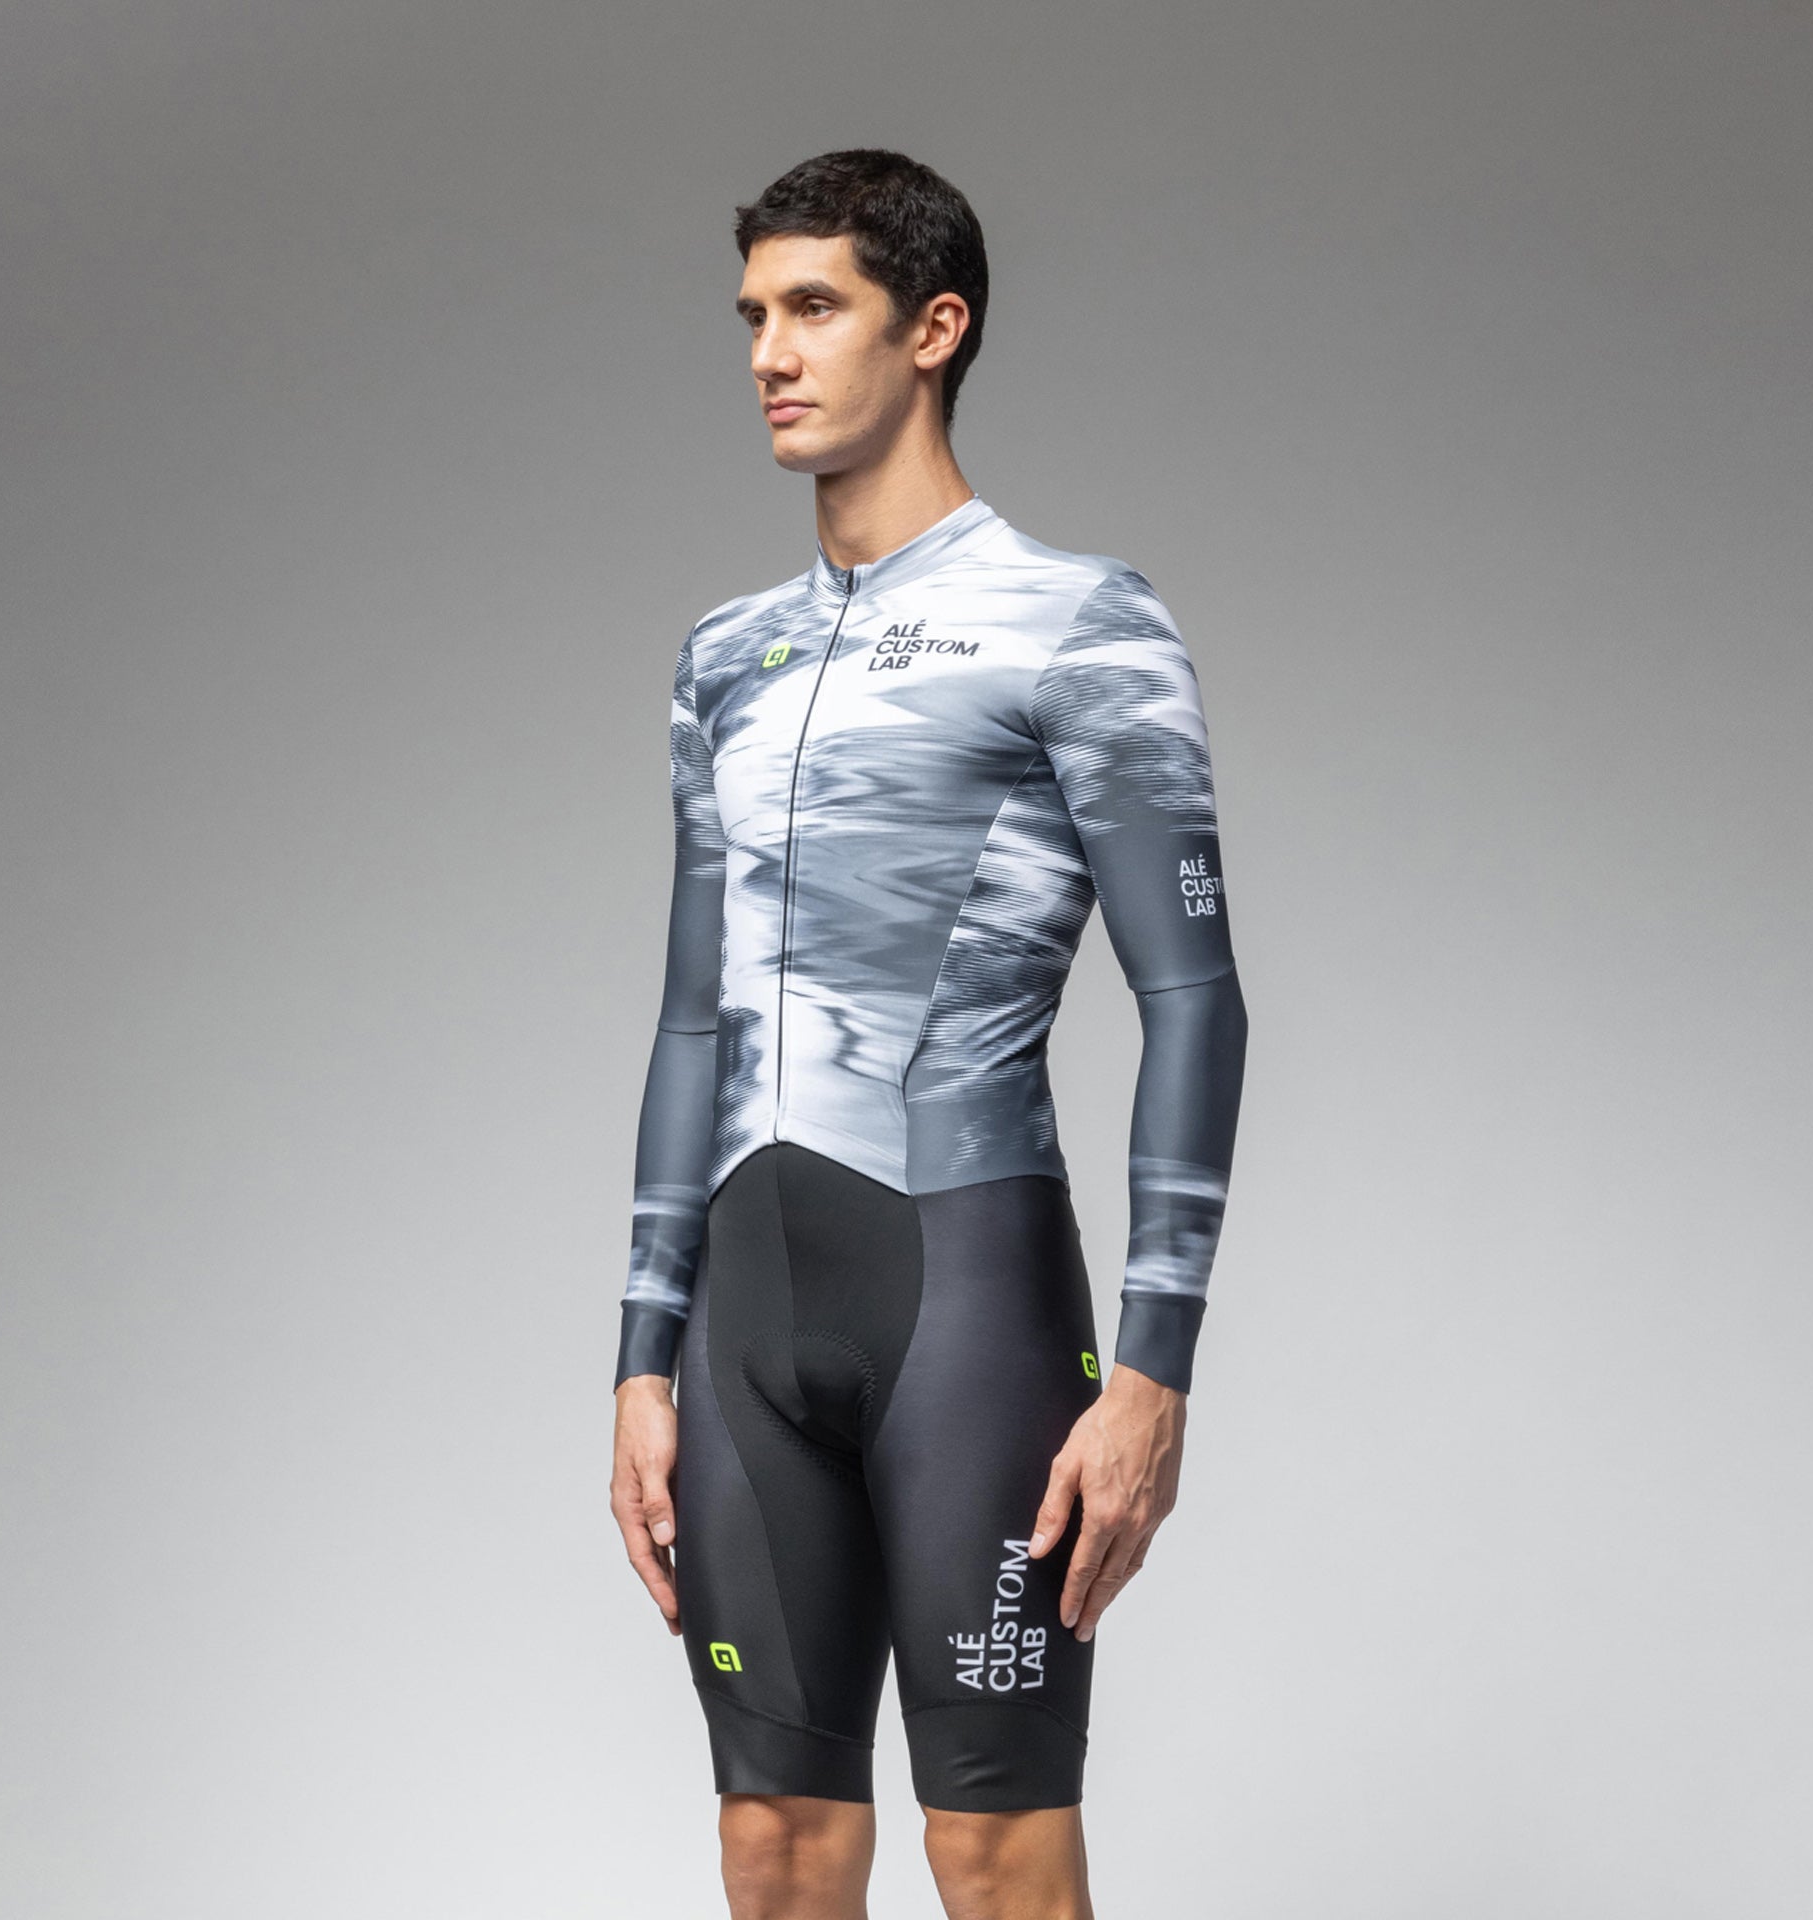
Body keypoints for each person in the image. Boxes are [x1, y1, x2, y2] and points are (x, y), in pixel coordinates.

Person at [608, 147, 1248, 1919]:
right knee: (771, 1842)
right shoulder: (722, 659)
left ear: (935, 327)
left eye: (815, 307)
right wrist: (641, 1358)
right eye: (754, 313)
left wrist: (1154, 1377)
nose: (769, 353)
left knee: (995, 1849)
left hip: (967, 1300)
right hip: (745, 1317)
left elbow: (1195, 998)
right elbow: (691, 1018)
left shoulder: (1081, 622)